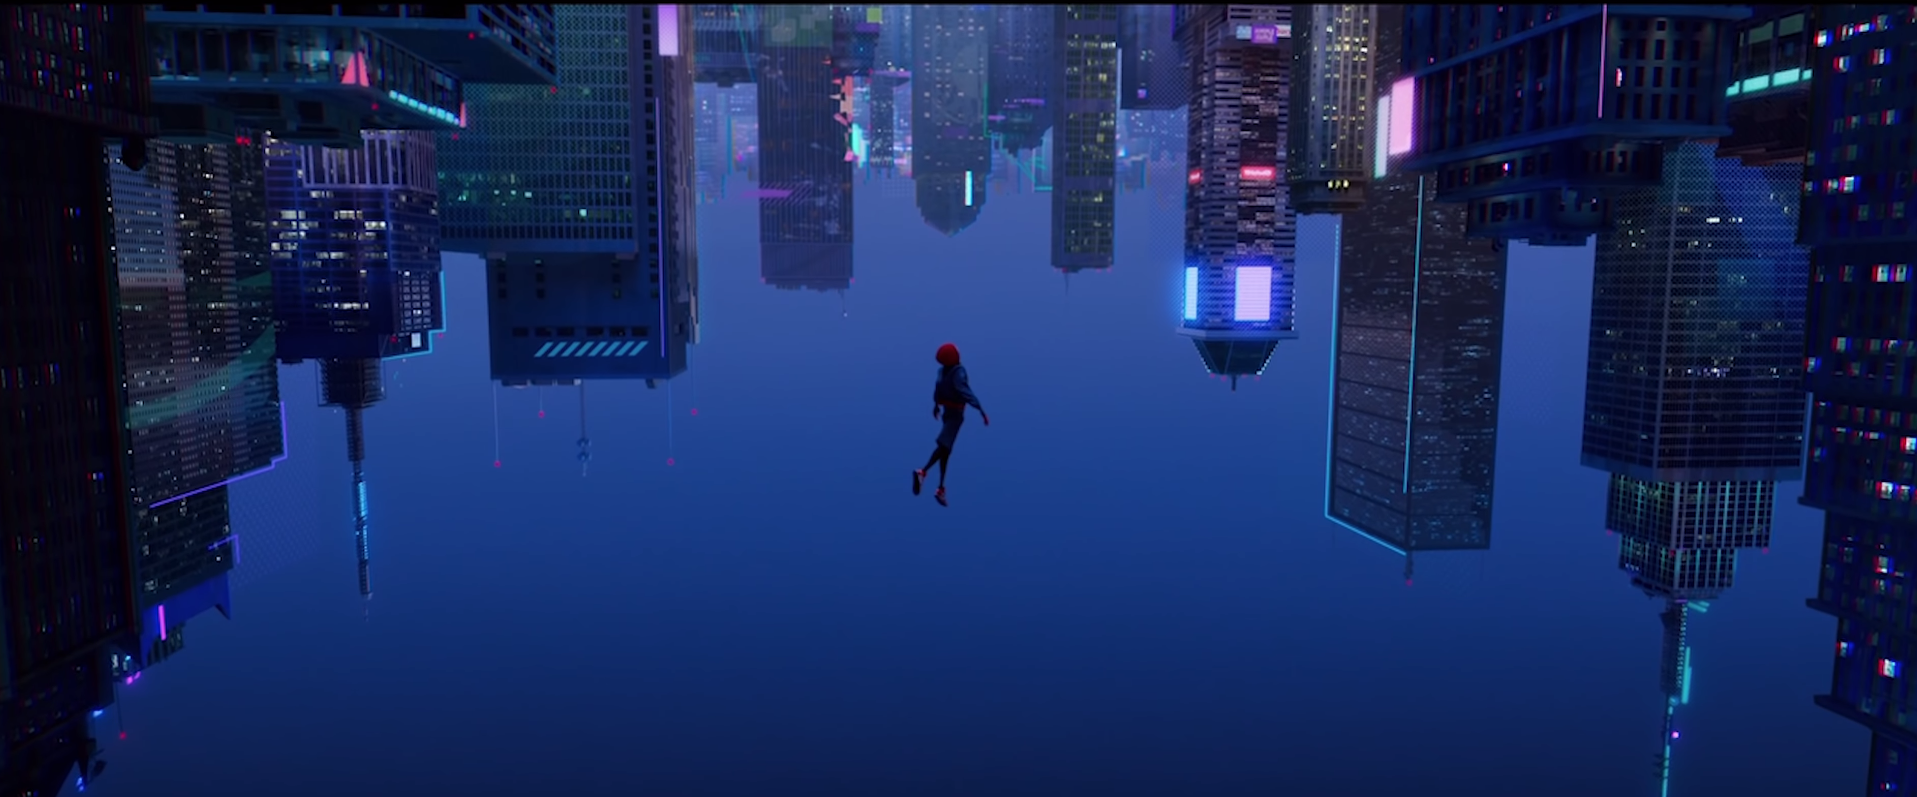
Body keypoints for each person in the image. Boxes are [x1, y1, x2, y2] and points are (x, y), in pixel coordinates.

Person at [913, 342, 988, 506]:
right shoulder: (958, 371)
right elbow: (964, 389)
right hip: (955, 415)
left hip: (947, 412)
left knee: (946, 449)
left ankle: (940, 488)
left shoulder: (941, 372)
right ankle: (923, 471)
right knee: (944, 446)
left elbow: (937, 390)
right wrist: (980, 408)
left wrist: (936, 405)